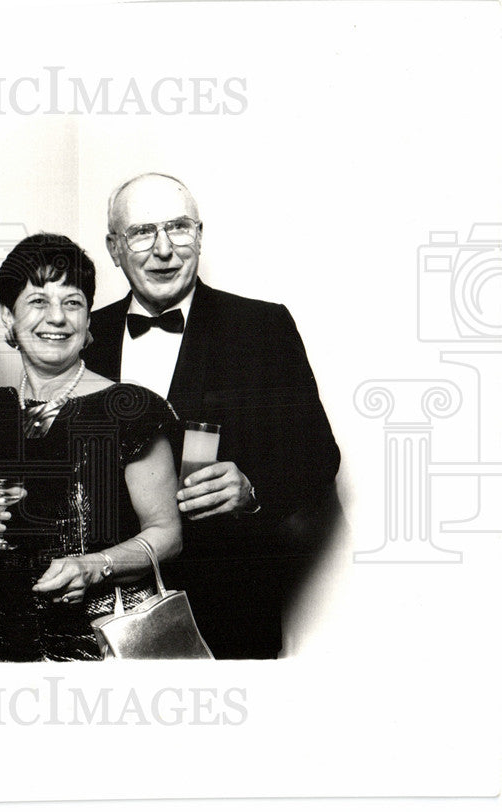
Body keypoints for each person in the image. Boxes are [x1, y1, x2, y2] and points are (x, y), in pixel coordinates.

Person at [82, 172, 342, 658]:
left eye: (179, 228)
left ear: (199, 235)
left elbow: (317, 457)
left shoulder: (262, 327)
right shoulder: (86, 334)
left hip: (227, 612)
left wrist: (254, 490)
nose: (164, 249)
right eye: (141, 232)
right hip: (99, 615)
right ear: (114, 247)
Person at [0, 233, 183, 662]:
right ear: (9, 318)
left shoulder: (130, 408)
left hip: (103, 651)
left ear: (87, 321)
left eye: (73, 302)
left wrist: (95, 564)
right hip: (4, 652)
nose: (57, 317)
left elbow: (168, 535)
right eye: (38, 302)